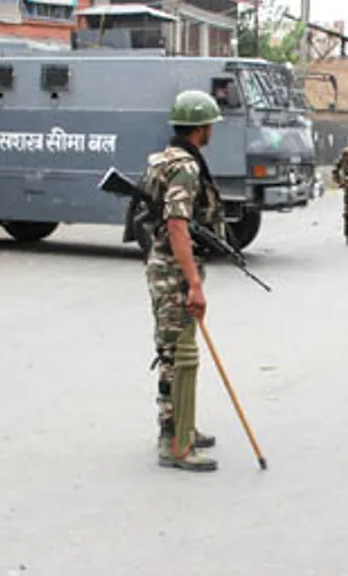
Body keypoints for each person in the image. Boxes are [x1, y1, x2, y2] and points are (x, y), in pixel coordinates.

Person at [141, 89, 226, 471]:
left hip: (162, 265)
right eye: (210, 125)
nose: (212, 131)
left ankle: (181, 425)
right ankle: (175, 444)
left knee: (175, 350)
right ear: (201, 128)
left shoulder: (163, 159)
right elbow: (176, 226)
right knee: (178, 356)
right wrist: (194, 283)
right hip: (173, 271)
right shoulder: (186, 167)